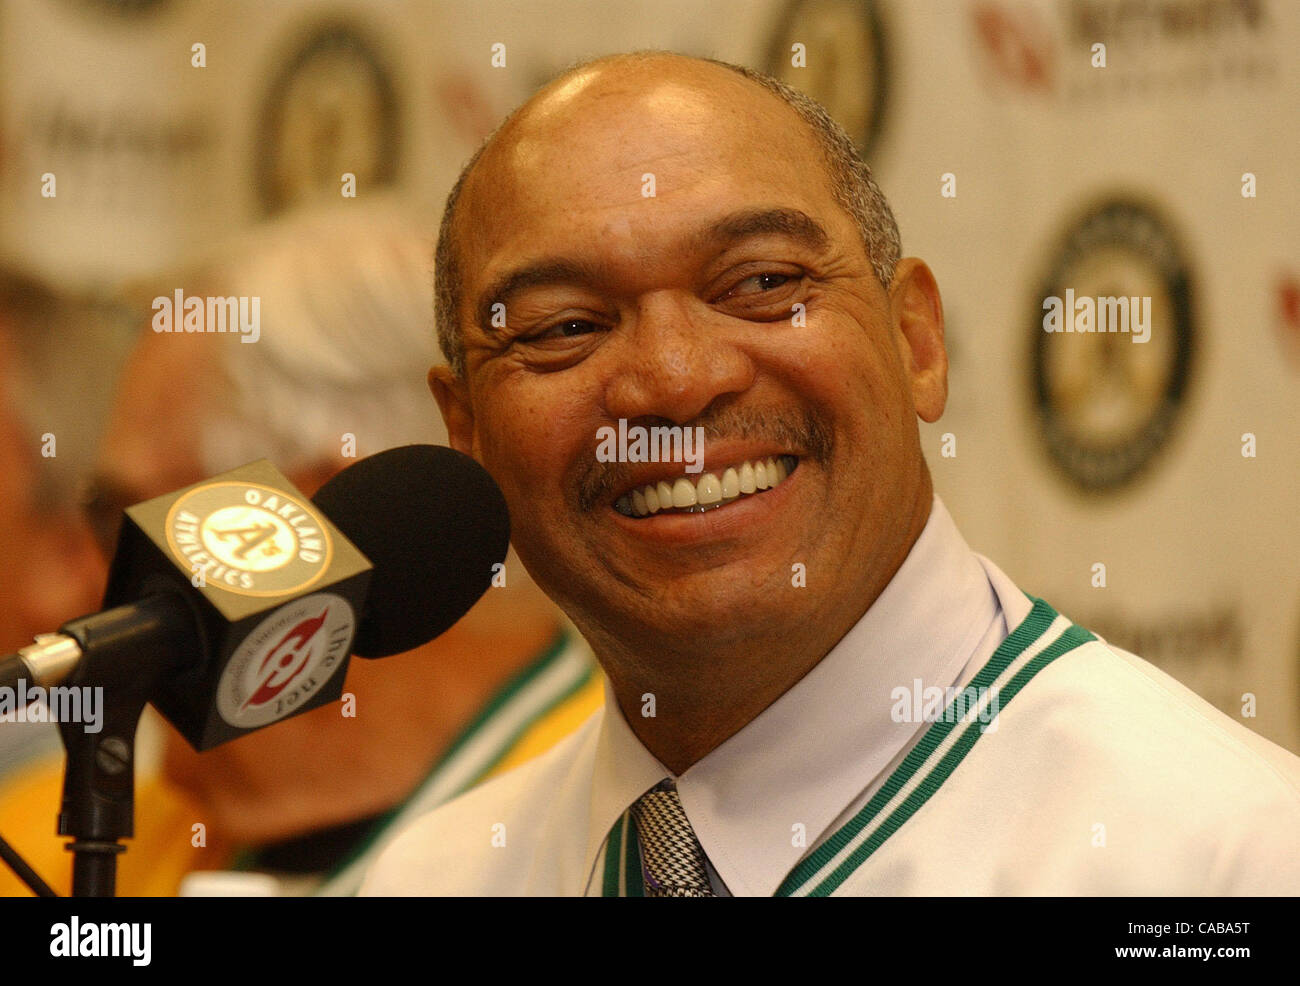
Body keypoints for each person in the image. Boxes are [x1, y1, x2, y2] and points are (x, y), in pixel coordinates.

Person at [360, 52, 1300, 896]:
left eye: (763, 284)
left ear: (917, 343)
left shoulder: (1219, 861)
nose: (678, 383)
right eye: (566, 327)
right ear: (467, 434)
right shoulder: (435, 878)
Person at [0, 204, 601, 897]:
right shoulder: (42, 843)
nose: (81, 586)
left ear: (332, 523)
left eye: (119, 523)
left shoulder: (618, 837)